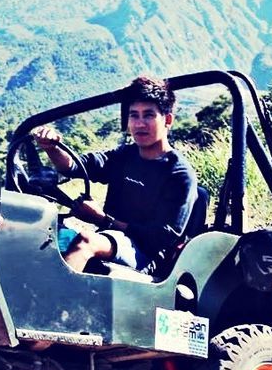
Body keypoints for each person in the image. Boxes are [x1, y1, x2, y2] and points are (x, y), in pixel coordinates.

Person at [32, 75, 198, 273]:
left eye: (148, 115)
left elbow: (159, 238)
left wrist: (102, 219)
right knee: (39, 233)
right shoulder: (124, 155)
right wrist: (51, 147)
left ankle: (47, 301)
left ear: (167, 119)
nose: (139, 123)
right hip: (110, 238)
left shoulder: (178, 173)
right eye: (134, 115)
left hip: (146, 256)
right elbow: (74, 166)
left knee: (86, 241)